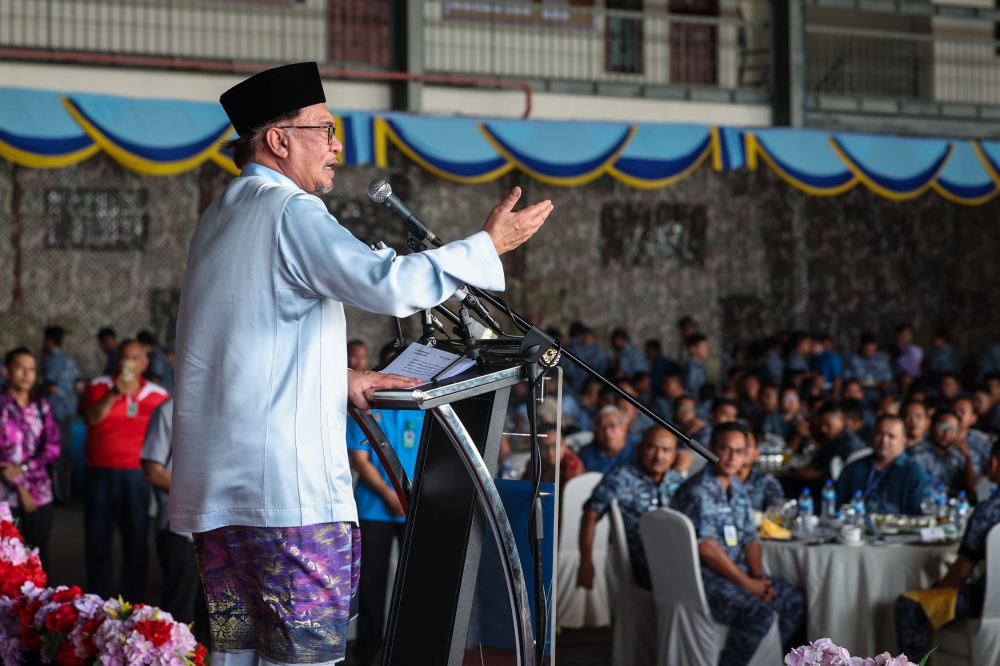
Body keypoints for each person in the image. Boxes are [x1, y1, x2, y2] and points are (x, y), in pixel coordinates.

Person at [168, 62, 552, 666]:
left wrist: (340, 378)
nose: (336, 146)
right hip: (287, 501)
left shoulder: (220, 216)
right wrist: (486, 247)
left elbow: (238, 340)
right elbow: (388, 284)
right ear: (279, 139)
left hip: (224, 499)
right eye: (324, 129)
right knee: (306, 659)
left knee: (237, 656)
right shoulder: (289, 212)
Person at [671, 423, 805, 666]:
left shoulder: (738, 488)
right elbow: (707, 547)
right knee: (760, 614)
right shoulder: (699, 490)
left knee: (793, 600)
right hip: (706, 580)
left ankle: (772, 660)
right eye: (726, 449)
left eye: (739, 451)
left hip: (738, 574)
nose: (733, 457)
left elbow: (749, 540)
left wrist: (758, 578)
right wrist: (749, 585)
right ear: (710, 449)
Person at [895, 440, 1000, 662]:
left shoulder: (988, 511)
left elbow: (961, 571)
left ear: (994, 462)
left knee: (909, 606)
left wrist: (937, 589)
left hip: (988, 603)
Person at [81, 339, 170, 601]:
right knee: (97, 540)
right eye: (124, 358)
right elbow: (91, 418)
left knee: (136, 542)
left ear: (144, 363)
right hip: (100, 473)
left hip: (138, 476)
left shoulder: (158, 394)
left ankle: (133, 601)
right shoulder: (99, 386)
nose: (128, 363)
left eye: (134, 358)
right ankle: (96, 601)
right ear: (116, 360)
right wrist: (114, 393)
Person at [346, 409, 425, 666]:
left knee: (416, 583)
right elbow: (359, 459)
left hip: (417, 507)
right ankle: (367, 652)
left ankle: (411, 648)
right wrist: (391, 495)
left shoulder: (423, 409)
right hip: (373, 509)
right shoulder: (365, 411)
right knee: (370, 583)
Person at [577, 426, 685, 591]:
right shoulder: (620, 478)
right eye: (652, 447)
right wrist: (585, 561)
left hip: (675, 552)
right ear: (639, 448)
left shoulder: (675, 478)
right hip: (641, 558)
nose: (659, 456)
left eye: (666, 450)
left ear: (674, 455)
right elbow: (591, 513)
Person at [140, 397, 208, 640]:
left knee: (214, 618)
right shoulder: (168, 410)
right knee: (180, 614)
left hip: (219, 533)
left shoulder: (229, 405)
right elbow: (153, 471)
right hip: (181, 532)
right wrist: (206, 494)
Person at [0, 348, 61, 569]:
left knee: (38, 558)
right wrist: (23, 490)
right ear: (6, 371)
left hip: (40, 496)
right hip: (6, 498)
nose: (27, 374)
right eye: (20, 367)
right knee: (6, 562)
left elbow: (53, 448)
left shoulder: (42, 407)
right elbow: (3, 460)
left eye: (32, 369)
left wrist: (25, 467)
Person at [835, 415, 928, 515]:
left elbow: (920, 517)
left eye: (891, 436)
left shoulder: (914, 474)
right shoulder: (854, 468)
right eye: (879, 433)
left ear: (903, 442)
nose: (884, 440)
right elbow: (836, 506)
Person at [793, 402, 866, 483]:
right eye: (822, 425)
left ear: (843, 421)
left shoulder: (850, 444)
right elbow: (817, 463)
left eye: (828, 425)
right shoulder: (830, 439)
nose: (823, 429)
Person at [909, 408, 976, 496]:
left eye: (953, 428)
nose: (947, 433)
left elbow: (970, 488)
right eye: (943, 426)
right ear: (931, 427)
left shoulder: (958, 454)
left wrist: (968, 457)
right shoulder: (917, 452)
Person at [40, 326, 82, 464]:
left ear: (48, 341)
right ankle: (67, 481)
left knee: (53, 446)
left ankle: (57, 479)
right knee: (66, 444)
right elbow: (79, 386)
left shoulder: (49, 360)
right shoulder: (70, 360)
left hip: (54, 409)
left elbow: (51, 387)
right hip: (70, 408)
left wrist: (35, 394)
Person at [577, 406, 637, 473]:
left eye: (612, 425)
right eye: (602, 427)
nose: (607, 432)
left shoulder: (638, 450)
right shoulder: (585, 454)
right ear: (596, 433)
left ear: (624, 428)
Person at [738, 429, 784, 511]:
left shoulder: (765, 480)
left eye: (748, 444)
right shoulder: (717, 480)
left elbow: (777, 509)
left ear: (757, 453)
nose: (742, 449)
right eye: (739, 444)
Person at [845, 333, 893, 404]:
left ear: (876, 347)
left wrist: (881, 385)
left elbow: (887, 381)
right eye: (866, 349)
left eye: (872, 349)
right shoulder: (853, 358)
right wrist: (867, 384)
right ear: (861, 346)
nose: (869, 352)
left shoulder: (882, 358)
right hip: (857, 394)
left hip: (878, 395)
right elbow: (847, 379)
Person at [561, 323, 609, 395]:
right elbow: (604, 365)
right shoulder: (592, 350)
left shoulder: (563, 350)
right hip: (591, 393)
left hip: (569, 392)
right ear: (583, 335)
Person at [682, 333, 709, 397]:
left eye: (706, 347)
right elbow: (690, 389)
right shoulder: (692, 368)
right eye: (703, 347)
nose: (706, 350)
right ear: (692, 349)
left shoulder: (699, 365)